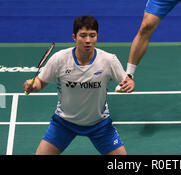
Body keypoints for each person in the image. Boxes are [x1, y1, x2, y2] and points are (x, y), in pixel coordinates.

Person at [23, 15, 135, 155]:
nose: (88, 40)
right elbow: (41, 82)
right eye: (83, 36)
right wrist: (33, 86)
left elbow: (127, 81)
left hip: (99, 124)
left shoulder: (108, 60)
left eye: (92, 35)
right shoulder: (60, 59)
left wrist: (129, 84)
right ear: (74, 37)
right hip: (64, 123)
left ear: (97, 37)